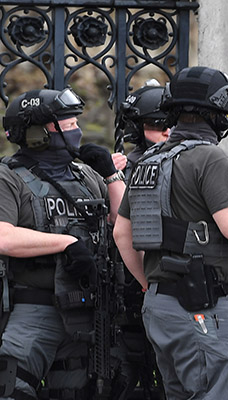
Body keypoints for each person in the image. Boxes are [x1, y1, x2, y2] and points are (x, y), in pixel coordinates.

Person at [112, 66, 228, 400]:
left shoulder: (149, 159)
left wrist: (149, 284)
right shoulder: (210, 157)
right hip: (201, 306)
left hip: (161, 306)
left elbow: (122, 232)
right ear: (219, 113)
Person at [0, 87, 126, 399]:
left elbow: (123, 225)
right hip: (35, 307)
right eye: (68, 125)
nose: (76, 131)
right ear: (37, 133)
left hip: (87, 312)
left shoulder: (85, 174)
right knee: (12, 388)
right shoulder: (9, 177)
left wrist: (111, 177)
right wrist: (65, 243)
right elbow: (3, 236)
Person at [111, 82, 170, 399]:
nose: (165, 134)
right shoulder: (126, 168)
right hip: (134, 290)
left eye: (169, 125)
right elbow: (119, 230)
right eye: (156, 126)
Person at [115, 81, 170, 179]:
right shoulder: (121, 170)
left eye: (174, 124)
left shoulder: (192, 162)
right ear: (136, 128)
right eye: (158, 124)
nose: (168, 132)